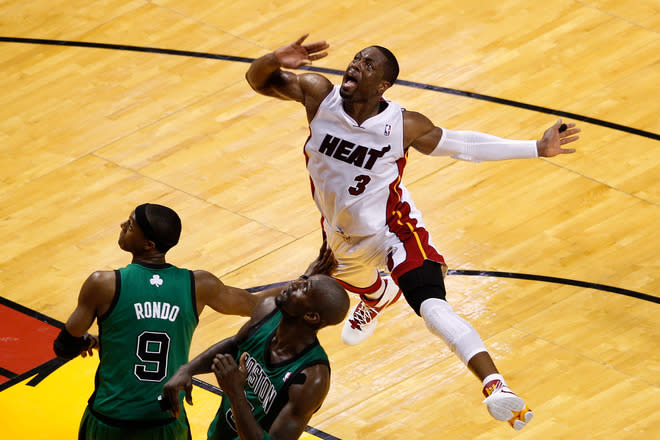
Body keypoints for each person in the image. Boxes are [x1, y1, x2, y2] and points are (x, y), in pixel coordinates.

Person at [244, 34, 582, 430]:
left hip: (394, 232)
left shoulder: (402, 125)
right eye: (356, 59)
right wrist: (273, 58)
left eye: (368, 65)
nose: (355, 65)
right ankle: (377, 296)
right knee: (360, 288)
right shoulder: (319, 94)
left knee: (431, 305)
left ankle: (496, 386)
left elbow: (462, 145)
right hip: (338, 236)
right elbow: (258, 80)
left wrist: (535, 148)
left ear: (383, 85)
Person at [53, 202, 337, 440]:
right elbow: (254, 303)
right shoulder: (198, 285)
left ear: (149, 244)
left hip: (108, 419)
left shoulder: (103, 283)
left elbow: (64, 346)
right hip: (165, 419)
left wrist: (88, 341)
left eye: (129, 226)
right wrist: (303, 281)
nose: (121, 227)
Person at [162, 273, 350, 440]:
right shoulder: (267, 312)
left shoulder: (311, 379)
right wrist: (188, 369)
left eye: (304, 288)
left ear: (311, 316)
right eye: (303, 280)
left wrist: (235, 393)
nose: (294, 283)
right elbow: (235, 345)